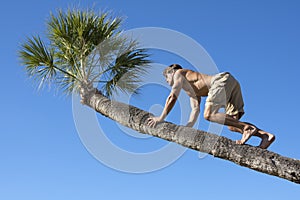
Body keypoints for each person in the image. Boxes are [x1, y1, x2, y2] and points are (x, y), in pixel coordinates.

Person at [147, 64, 275, 149]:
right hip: (231, 83)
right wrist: (188, 127)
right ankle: (265, 136)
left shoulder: (178, 73)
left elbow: (172, 98)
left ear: (171, 72)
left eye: (166, 77)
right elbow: (195, 109)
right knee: (232, 125)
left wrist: (161, 117)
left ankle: (247, 128)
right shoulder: (190, 90)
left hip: (220, 81)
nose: (167, 81)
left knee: (209, 115)